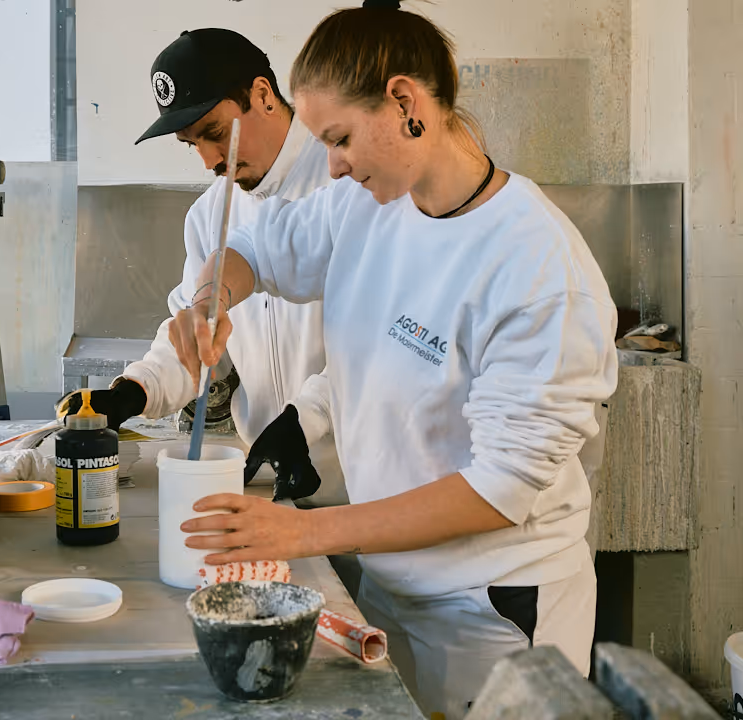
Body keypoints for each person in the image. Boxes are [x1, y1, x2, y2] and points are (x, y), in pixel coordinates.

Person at [167, 2, 619, 717]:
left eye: (340, 139)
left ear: (407, 103)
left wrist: (305, 532)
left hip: (492, 612)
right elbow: (252, 249)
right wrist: (209, 300)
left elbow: (498, 489)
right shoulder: (369, 207)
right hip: (390, 590)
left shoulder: (536, 268)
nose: (335, 166)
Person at [60, 29, 348, 511]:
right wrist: (135, 390)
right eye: (191, 143)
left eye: (214, 133)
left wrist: (308, 418)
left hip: (356, 478)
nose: (209, 161)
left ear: (262, 95)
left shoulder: (348, 178)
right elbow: (197, 337)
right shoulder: (211, 214)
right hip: (267, 483)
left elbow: (381, 345)